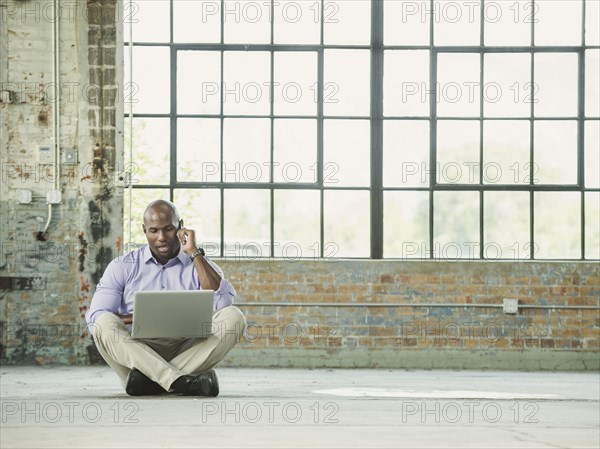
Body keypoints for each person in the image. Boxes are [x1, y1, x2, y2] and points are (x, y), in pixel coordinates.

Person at [85, 200, 246, 396]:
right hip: (136, 349)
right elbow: (96, 317)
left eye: (168, 229)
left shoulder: (199, 264)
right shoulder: (122, 266)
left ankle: (150, 381)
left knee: (234, 317)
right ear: (144, 230)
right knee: (104, 324)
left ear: (180, 226)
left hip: (186, 347)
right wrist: (138, 318)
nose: (161, 237)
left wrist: (195, 253)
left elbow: (223, 304)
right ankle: (182, 382)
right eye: (154, 231)